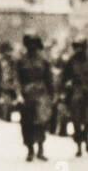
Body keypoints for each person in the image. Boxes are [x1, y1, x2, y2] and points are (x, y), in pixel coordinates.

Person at [16, 33, 54, 162]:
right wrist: (18, 94)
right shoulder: (21, 60)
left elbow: (49, 79)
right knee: (27, 123)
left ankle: (41, 149)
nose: (31, 47)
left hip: (41, 95)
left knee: (41, 123)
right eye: (29, 44)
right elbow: (16, 79)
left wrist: (52, 95)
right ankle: (30, 149)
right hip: (26, 95)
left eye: (34, 44)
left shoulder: (44, 60)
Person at [60, 38, 88, 157]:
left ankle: (86, 138)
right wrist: (67, 84)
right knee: (76, 120)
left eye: (80, 47)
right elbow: (64, 77)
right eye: (76, 47)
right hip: (76, 91)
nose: (78, 49)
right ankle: (78, 145)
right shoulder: (71, 61)